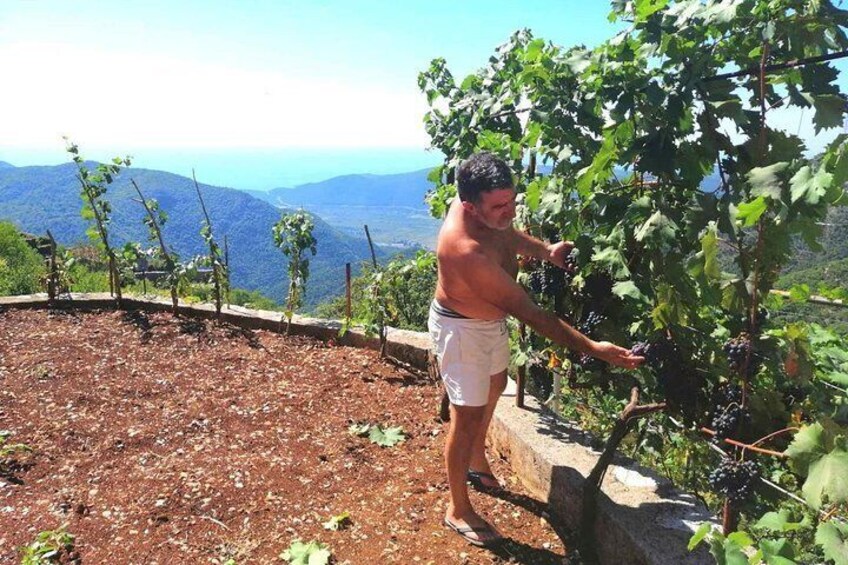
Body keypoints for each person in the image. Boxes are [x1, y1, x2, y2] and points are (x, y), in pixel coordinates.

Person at [428, 152, 644, 547]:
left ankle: (477, 459)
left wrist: (545, 251)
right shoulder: (464, 250)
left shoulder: (486, 212)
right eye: (499, 206)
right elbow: (531, 313)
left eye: (511, 201)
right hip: (463, 332)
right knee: (467, 415)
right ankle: (457, 508)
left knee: (494, 387)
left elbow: (505, 233)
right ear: (469, 207)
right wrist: (593, 347)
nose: (509, 211)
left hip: (487, 324)